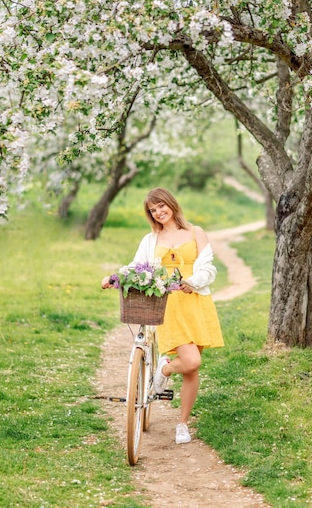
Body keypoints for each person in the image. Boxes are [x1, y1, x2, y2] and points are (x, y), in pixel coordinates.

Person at [102, 187, 224, 445]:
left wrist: (193, 281)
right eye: (153, 210)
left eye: (161, 206)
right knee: (191, 362)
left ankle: (182, 423)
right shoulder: (151, 240)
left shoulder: (195, 232)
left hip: (196, 301)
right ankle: (166, 369)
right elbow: (136, 267)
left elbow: (209, 267)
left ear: (171, 204)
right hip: (167, 305)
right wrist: (114, 277)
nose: (158, 212)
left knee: (192, 368)